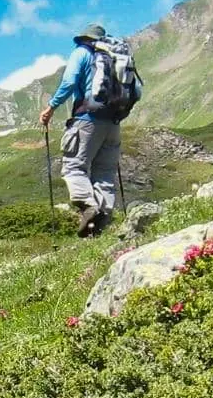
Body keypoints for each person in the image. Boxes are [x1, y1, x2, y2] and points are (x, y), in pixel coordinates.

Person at [39, 23, 142, 237]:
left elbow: (69, 81)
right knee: (104, 172)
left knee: (74, 167)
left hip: (87, 119)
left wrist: (51, 107)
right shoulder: (117, 56)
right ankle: (101, 221)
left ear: (83, 37)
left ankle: (88, 205)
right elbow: (137, 91)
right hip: (113, 123)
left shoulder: (82, 52)